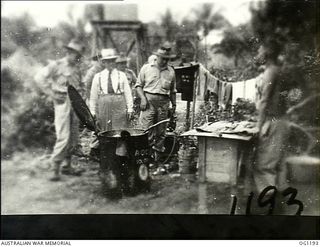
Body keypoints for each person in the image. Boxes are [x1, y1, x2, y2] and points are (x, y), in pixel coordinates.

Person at [35, 39, 86, 181]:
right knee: (63, 136)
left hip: (75, 103)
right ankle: (55, 170)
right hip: (62, 102)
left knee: (74, 137)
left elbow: (80, 85)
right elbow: (39, 78)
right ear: (69, 52)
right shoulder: (56, 65)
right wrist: (51, 94)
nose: (78, 57)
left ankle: (67, 166)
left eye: (79, 55)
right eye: (76, 54)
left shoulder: (77, 68)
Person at [253, 44, 291, 194]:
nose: (258, 52)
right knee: (279, 162)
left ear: (267, 53)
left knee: (264, 164)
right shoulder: (279, 71)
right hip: (283, 120)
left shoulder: (271, 72)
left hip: (274, 121)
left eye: (260, 50)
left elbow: (264, 101)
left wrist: (258, 125)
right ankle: (282, 197)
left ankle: (268, 199)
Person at [135, 45, 177, 164]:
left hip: (163, 104)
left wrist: (174, 106)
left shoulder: (171, 72)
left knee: (161, 132)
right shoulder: (146, 68)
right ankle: (144, 158)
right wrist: (143, 99)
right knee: (145, 130)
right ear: (157, 57)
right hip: (148, 102)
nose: (164, 61)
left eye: (167, 59)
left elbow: (173, 91)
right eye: (162, 58)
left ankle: (157, 158)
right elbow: (138, 86)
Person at [89, 48, 133, 131]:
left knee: (120, 128)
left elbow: (128, 93)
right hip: (104, 104)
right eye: (108, 61)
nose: (111, 63)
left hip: (119, 103)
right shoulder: (98, 76)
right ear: (103, 62)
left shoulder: (122, 75)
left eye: (112, 61)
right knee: (104, 129)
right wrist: (92, 111)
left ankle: (119, 144)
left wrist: (130, 108)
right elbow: (93, 96)